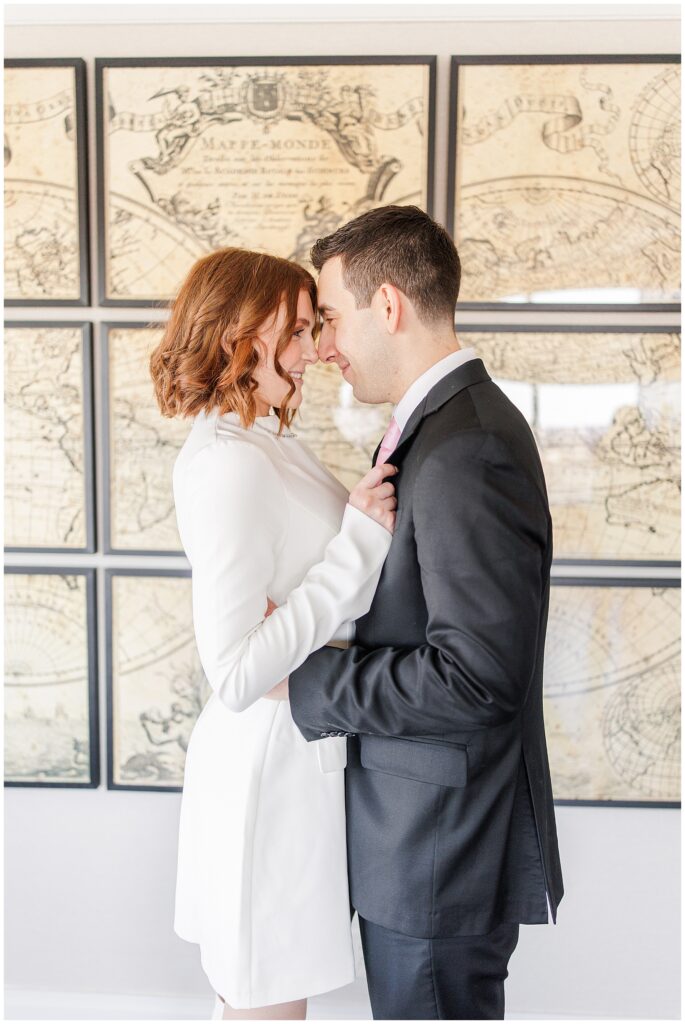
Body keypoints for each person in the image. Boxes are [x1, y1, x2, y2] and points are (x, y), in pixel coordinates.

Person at [285, 205, 565, 1020]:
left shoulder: (465, 446)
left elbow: (477, 678)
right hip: (419, 838)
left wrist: (302, 677)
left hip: (437, 849)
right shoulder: (440, 430)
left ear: (389, 306)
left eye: (330, 317)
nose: (323, 345)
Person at [149, 247, 397, 1020]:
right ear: (240, 334)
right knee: (267, 1002)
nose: (313, 349)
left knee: (268, 997)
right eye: (296, 329)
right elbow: (235, 670)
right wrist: (356, 544)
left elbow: (290, 605)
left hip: (294, 763)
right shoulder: (230, 464)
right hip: (266, 779)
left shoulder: (266, 443)